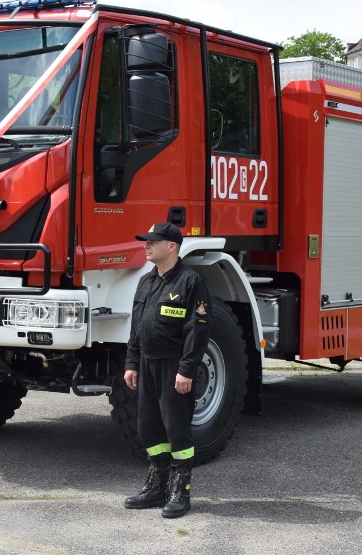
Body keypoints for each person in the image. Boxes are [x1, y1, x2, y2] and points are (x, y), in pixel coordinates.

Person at [123, 222, 211, 519]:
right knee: (149, 426)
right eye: (145, 240)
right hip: (147, 363)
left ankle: (180, 491)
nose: (146, 245)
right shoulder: (146, 281)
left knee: (176, 429)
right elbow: (136, 327)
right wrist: (132, 363)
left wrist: (186, 370)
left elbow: (197, 330)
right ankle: (157, 487)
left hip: (174, 365)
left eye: (152, 241)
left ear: (171, 246)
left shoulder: (190, 281)